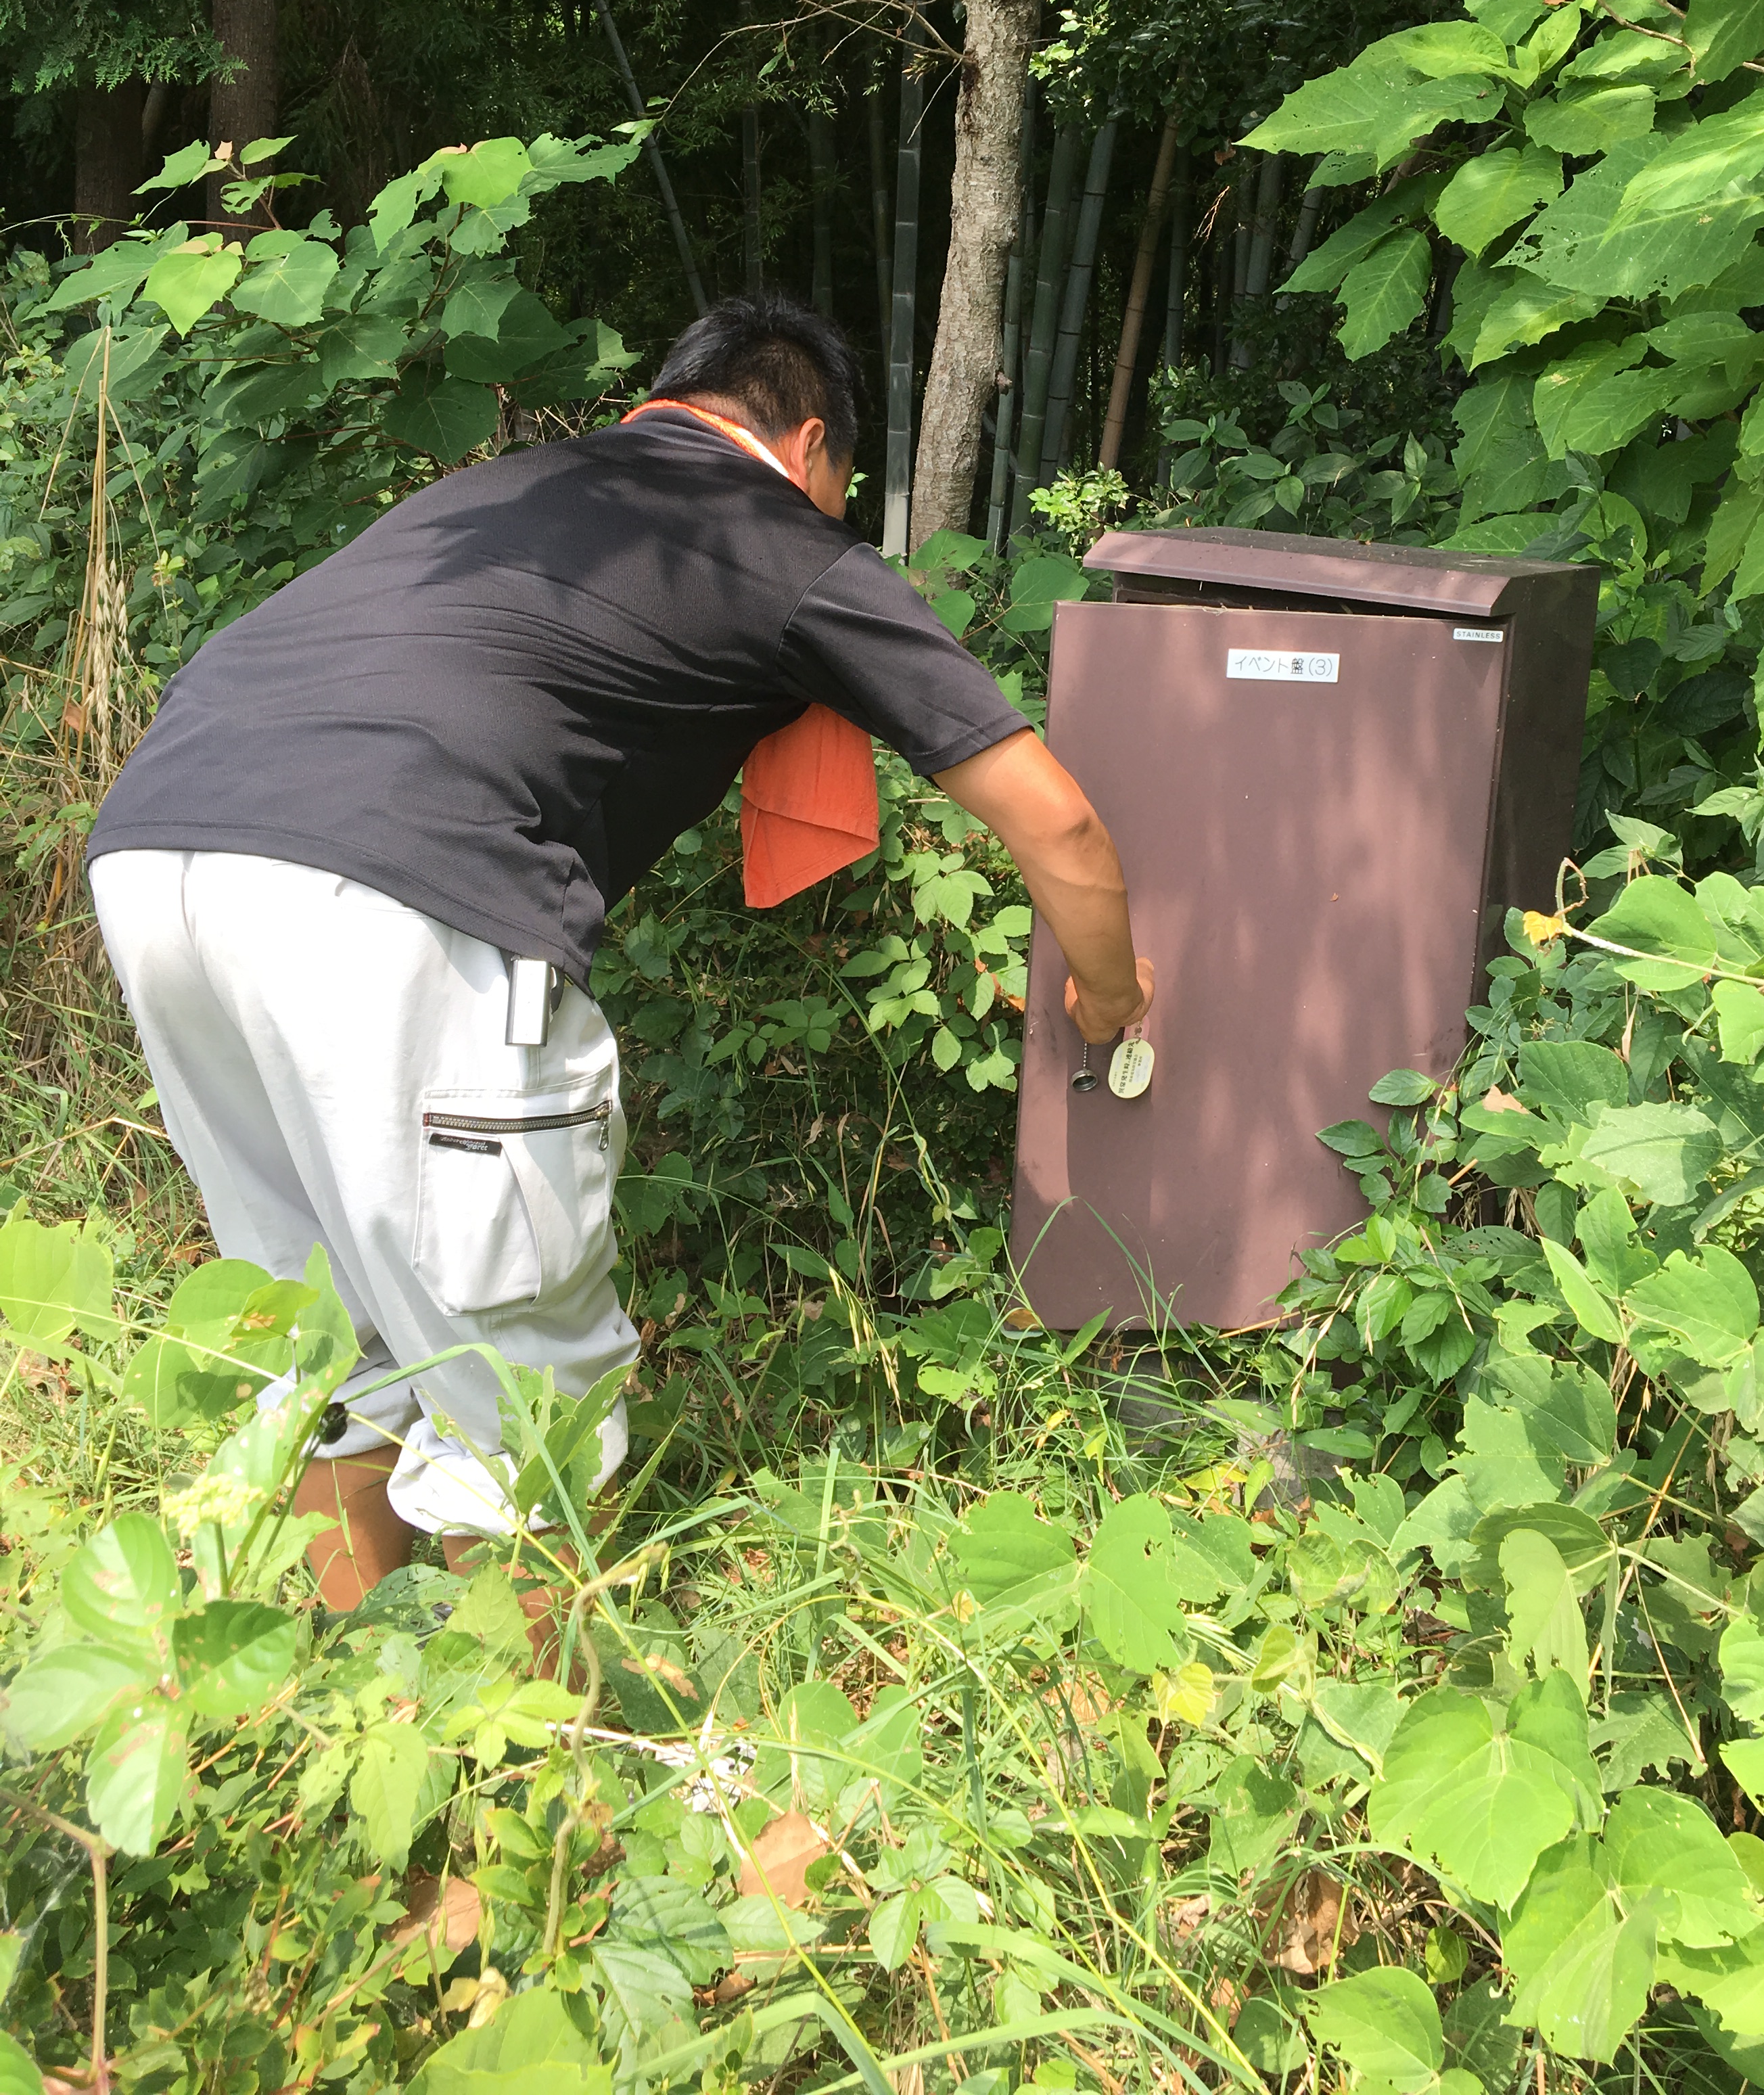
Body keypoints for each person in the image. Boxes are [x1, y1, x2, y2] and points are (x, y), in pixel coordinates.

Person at [89, 297, 1153, 1609]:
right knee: (515, 1408)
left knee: (326, 1360)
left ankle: (346, 1725)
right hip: (395, 891)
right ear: (810, 444)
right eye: (842, 486)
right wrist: (1117, 997)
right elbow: (1058, 820)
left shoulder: (516, 488)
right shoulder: (775, 538)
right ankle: (544, 1796)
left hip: (158, 852)